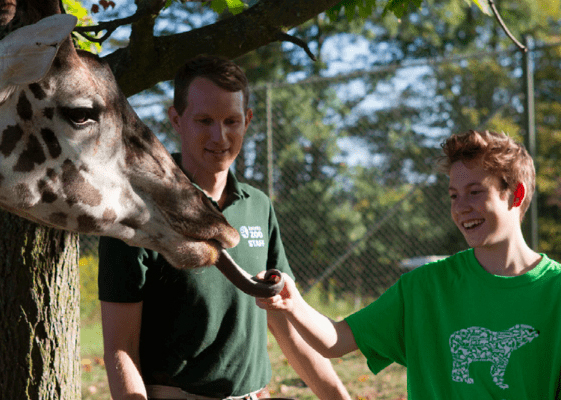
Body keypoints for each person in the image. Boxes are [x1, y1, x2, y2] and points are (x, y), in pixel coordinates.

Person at [98, 55, 351, 400]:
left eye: (231, 121)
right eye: (204, 120)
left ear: (247, 121)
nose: (219, 136)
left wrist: (339, 397)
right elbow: (120, 348)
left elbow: (284, 324)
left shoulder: (258, 206)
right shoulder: (139, 211)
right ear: (176, 119)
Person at [257, 129, 561, 399]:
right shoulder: (425, 287)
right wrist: (294, 303)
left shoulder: (555, 291)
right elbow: (335, 341)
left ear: (516, 194)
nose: (460, 207)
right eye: (454, 195)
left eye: (475, 192)